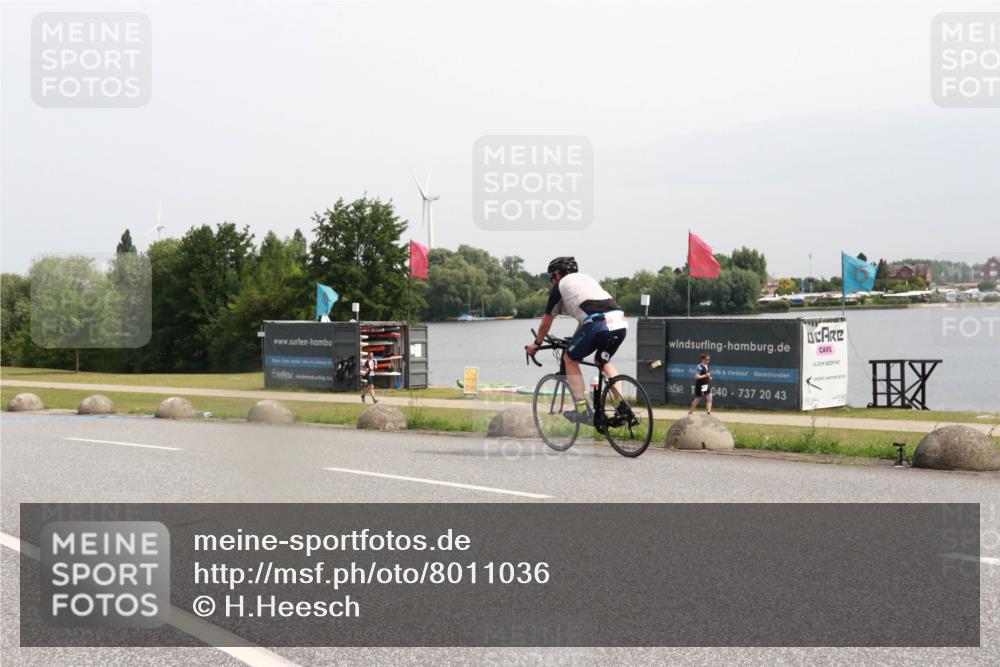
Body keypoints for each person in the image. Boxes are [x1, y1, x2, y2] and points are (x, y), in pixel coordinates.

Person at [525, 257, 627, 423]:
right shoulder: (587, 279)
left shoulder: (560, 286)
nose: (552, 281)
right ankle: (622, 406)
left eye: (552, 277)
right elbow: (584, 320)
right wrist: (574, 340)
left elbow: (546, 322)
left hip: (598, 323)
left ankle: (581, 410)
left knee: (569, 358)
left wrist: (536, 344)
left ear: (557, 275)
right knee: (603, 361)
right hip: (619, 321)